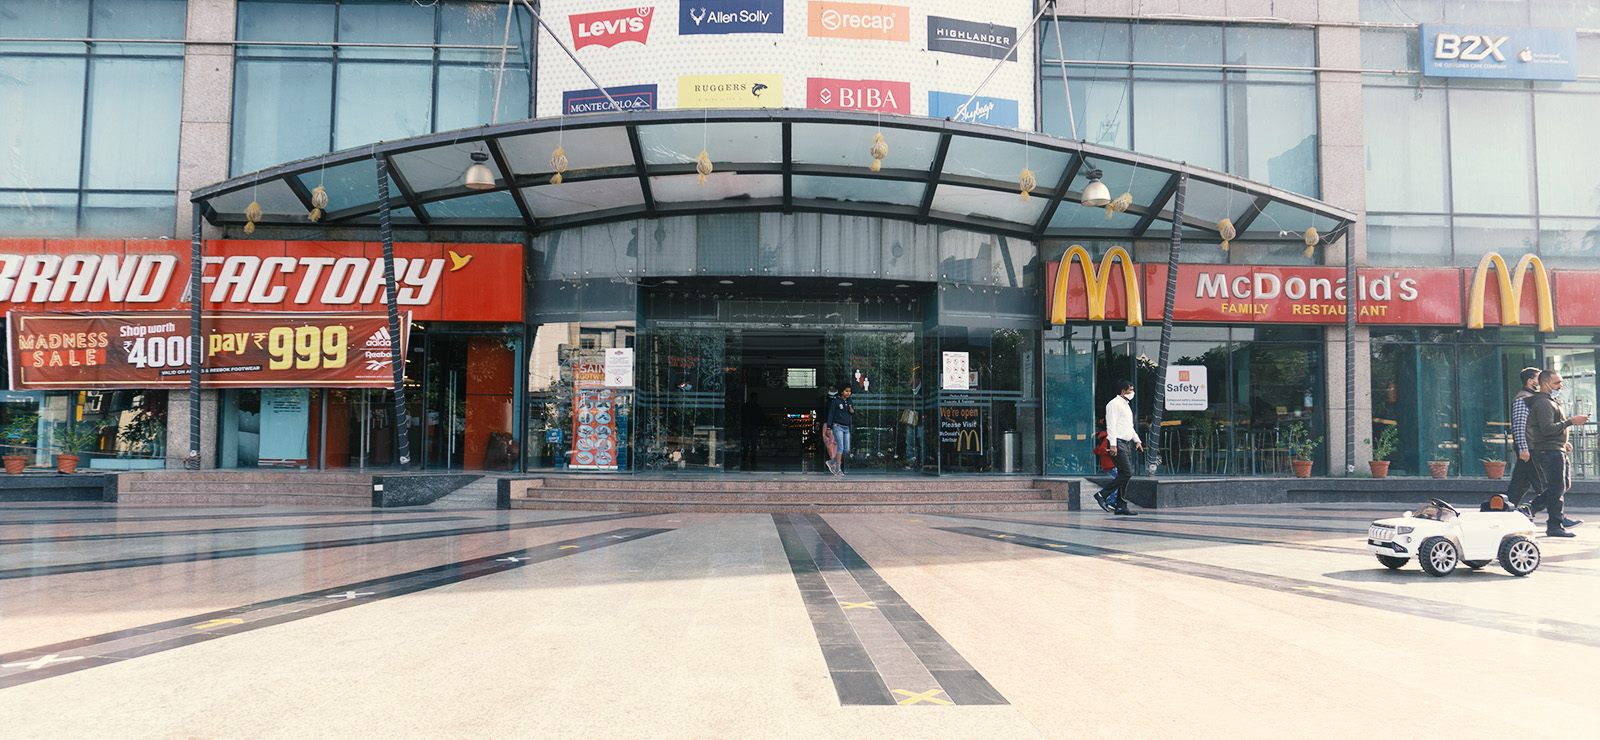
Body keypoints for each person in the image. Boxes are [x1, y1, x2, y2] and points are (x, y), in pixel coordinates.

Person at [1526, 370, 1590, 537]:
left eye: (1561, 382)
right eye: (1556, 383)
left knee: (1562, 485)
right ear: (1545, 384)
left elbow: (1550, 429)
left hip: (1555, 448)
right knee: (1556, 488)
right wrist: (1571, 421)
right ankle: (1554, 524)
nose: (1560, 386)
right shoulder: (1543, 403)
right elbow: (1547, 429)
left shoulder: (1550, 401)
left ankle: (1535, 510)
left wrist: (1563, 442)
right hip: (1549, 450)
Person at [1501, 367, 1545, 510]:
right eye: (1539, 379)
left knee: (1519, 484)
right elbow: (1519, 426)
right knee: (1544, 485)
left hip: (1530, 447)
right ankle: (1556, 517)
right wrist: (1523, 448)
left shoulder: (1532, 398)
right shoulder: (1523, 399)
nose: (1542, 382)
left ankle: (1505, 511)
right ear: (1530, 381)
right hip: (1530, 448)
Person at [1101, 380, 1142, 515]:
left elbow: (1128, 427)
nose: (1132, 392)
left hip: (1125, 443)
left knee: (1124, 475)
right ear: (1123, 391)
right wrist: (1113, 444)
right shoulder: (1114, 404)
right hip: (1117, 443)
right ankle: (1102, 494)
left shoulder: (1126, 405)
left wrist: (1137, 441)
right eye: (1131, 390)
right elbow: (1111, 426)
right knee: (1127, 473)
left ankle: (1121, 506)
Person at [826, 384, 855, 476]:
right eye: (846, 391)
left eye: (849, 391)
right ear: (842, 392)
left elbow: (850, 412)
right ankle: (838, 469)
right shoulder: (836, 401)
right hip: (837, 426)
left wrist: (852, 411)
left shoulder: (849, 401)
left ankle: (831, 462)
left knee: (846, 449)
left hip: (846, 427)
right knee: (840, 447)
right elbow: (831, 414)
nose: (848, 393)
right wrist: (828, 427)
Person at [1091, 422, 1119, 513]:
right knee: (1119, 481)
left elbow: (1096, 450)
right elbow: (1102, 449)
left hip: (1108, 465)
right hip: (1111, 465)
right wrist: (1112, 451)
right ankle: (1111, 501)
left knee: (1119, 481)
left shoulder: (1103, 438)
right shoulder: (1108, 437)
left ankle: (1112, 501)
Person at [741, 393, 763, 471]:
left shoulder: (747, 406)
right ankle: (750, 456)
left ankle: (747, 455)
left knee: (749, 442)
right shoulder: (756, 407)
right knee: (751, 442)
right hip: (750, 425)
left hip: (749, 425)